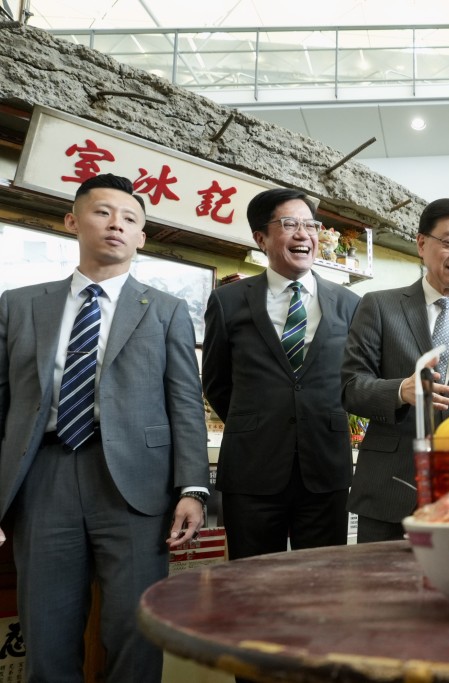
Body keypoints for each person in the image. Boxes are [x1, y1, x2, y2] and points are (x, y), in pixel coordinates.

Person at [0, 173, 208, 682]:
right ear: (73, 221)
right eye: (102, 212)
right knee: (46, 633)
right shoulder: (19, 304)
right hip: (41, 479)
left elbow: (185, 402)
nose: (116, 224)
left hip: (136, 485)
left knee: (135, 634)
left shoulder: (166, 310)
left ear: (142, 237)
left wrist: (194, 487)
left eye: (131, 219)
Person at [341, 197, 449, 542]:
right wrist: (400, 391)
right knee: (383, 593)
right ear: (422, 244)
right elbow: (350, 387)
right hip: (389, 489)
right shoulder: (379, 306)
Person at [203, 188, 360, 561]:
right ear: (261, 238)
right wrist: (257, 424)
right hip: (252, 471)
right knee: (253, 586)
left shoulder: (350, 304)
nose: (304, 234)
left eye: (310, 225)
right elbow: (216, 382)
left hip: (326, 467)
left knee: (322, 582)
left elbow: (355, 379)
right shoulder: (228, 301)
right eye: (290, 224)